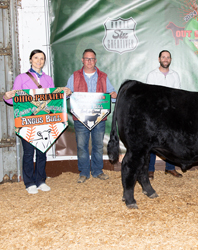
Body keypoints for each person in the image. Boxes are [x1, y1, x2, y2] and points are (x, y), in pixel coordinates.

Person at [3, 49, 71, 194]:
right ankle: (29, 183)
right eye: (36, 58)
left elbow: (54, 99)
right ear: (30, 60)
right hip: (27, 121)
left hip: (44, 121)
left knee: (42, 151)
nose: (39, 61)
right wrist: (6, 96)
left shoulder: (48, 79)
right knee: (28, 153)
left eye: (41, 58)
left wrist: (65, 95)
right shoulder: (21, 78)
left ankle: (40, 180)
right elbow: (14, 99)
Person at [65, 49, 117, 183]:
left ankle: (97, 171)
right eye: (87, 59)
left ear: (96, 61)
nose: (89, 61)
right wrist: (67, 92)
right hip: (80, 118)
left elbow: (111, 94)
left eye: (92, 59)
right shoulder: (74, 76)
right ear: (82, 60)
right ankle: (83, 172)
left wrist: (113, 96)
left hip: (99, 117)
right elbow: (67, 93)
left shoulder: (103, 77)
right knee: (82, 146)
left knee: (98, 145)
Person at [146, 50, 183, 180]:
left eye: (168, 57)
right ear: (159, 59)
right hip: (155, 114)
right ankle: (150, 170)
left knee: (171, 141)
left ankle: (170, 168)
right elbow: (150, 96)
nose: (165, 59)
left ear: (170, 60)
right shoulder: (152, 75)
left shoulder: (175, 75)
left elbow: (177, 95)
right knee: (152, 142)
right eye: (163, 57)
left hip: (171, 114)